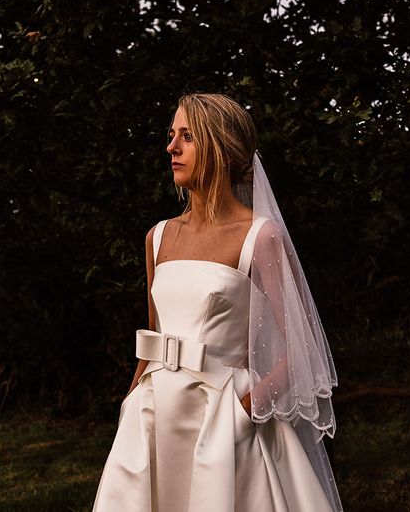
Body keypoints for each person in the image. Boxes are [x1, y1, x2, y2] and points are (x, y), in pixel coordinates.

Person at [92, 92, 342, 511]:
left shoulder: (259, 237)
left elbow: (301, 350)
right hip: (151, 419)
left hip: (224, 420)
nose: (171, 147)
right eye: (172, 135)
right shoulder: (157, 238)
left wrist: (244, 411)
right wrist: (131, 402)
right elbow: (153, 335)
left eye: (187, 136)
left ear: (221, 149)